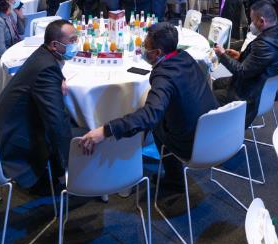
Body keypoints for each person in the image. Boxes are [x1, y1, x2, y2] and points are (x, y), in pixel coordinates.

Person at [78, 23, 219, 187]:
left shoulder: (164, 76)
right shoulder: (185, 56)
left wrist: (106, 130)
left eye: (146, 46)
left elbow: (150, 115)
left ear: (157, 53)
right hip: (215, 130)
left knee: (155, 123)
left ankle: (174, 179)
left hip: (193, 143)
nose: (143, 49)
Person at [0, 20, 79, 187]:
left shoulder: (42, 55)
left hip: (1, 133)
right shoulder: (47, 70)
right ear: (54, 45)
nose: (76, 44)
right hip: (14, 148)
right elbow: (56, 122)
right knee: (73, 128)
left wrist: (59, 79)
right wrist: (69, 166)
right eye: (72, 40)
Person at [212, 2, 278, 126]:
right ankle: (226, 118)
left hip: (249, 95)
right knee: (217, 83)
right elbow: (258, 63)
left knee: (208, 96)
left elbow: (242, 72)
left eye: (252, 20)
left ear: (262, 21)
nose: (251, 24)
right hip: (261, 89)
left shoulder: (264, 45)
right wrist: (240, 56)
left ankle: (224, 127)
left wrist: (222, 55)